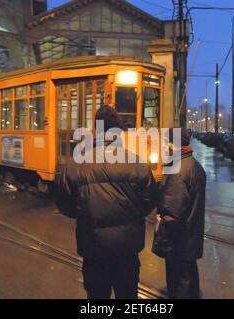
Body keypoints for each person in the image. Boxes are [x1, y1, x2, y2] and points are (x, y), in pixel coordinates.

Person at [56, 105, 158, 299]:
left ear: (96, 130)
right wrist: (132, 212)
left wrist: (85, 212)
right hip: (127, 253)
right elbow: (151, 200)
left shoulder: (77, 164)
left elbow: (64, 203)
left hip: (94, 252)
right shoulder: (138, 163)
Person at [152, 127, 206, 299]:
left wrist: (161, 238)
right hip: (189, 241)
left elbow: (172, 214)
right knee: (190, 282)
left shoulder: (176, 169)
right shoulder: (195, 166)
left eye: (166, 143)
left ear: (172, 145)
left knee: (179, 287)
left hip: (178, 245)